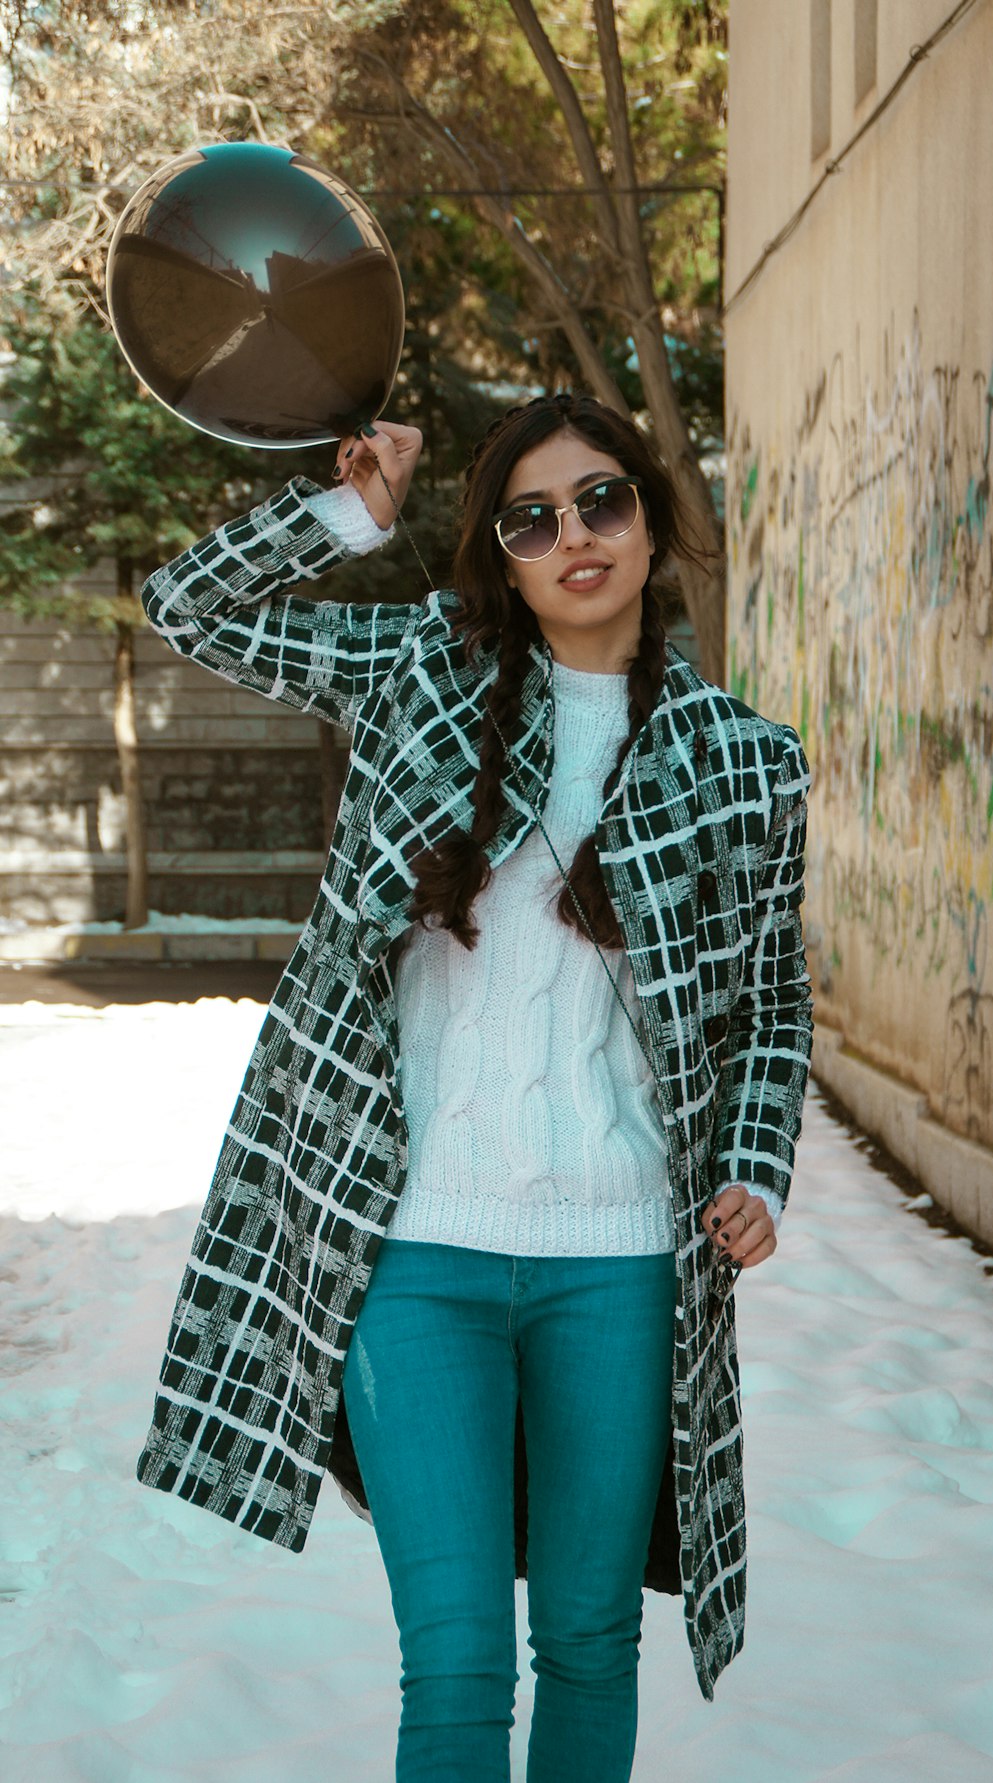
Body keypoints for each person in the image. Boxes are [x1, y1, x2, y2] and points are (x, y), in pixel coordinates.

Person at [136, 391, 814, 1782]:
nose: (575, 534)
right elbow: (190, 608)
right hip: (416, 1250)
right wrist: (346, 511)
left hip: (619, 1259)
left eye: (603, 500)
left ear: (652, 521)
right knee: (455, 1659)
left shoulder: (746, 762)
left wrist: (754, 1164)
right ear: (499, 552)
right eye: (533, 516)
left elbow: (771, 1004)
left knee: (585, 1638)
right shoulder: (417, 676)